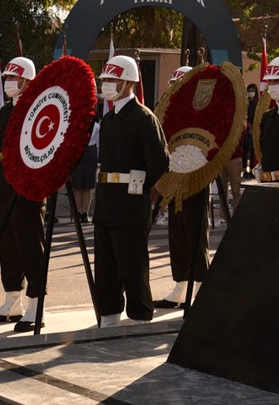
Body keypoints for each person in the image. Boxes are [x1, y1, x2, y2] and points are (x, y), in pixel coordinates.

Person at [92, 55, 169, 327]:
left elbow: (160, 161)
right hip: (106, 202)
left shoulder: (143, 118)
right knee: (106, 267)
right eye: (105, 80)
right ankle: (109, 317)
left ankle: (139, 318)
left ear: (128, 82)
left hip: (130, 202)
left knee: (133, 266)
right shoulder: (110, 119)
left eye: (112, 80)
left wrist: (143, 187)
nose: (107, 85)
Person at [0, 57, 48, 332]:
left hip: (29, 187)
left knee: (31, 247)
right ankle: (12, 301)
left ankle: (35, 304)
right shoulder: (7, 111)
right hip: (7, 185)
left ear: (27, 81)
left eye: (13, 78)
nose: (8, 83)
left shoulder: (38, 108)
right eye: (6, 77)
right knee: (7, 246)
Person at [155, 67, 208, 309]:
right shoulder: (169, 113)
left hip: (195, 177)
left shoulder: (201, 112)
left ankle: (200, 285)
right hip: (173, 177)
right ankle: (181, 285)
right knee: (177, 234)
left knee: (195, 233)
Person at [69, 97, 102, 224]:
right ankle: (77, 212)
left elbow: (98, 144)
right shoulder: (76, 124)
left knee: (88, 186)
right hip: (79, 153)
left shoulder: (97, 126)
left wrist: (98, 160)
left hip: (91, 153)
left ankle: (85, 213)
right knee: (77, 185)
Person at [243, 83, 259, 179]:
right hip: (247, 129)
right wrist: (249, 127)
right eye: (249, 91)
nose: (251, 93)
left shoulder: (257, 104)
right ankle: (245, 170)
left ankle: (251, 170)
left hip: (255, 130)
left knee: (253, 151)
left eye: (252, 91)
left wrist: (254, 128)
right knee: (245, 150)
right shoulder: (246, 104)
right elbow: (245, 116)